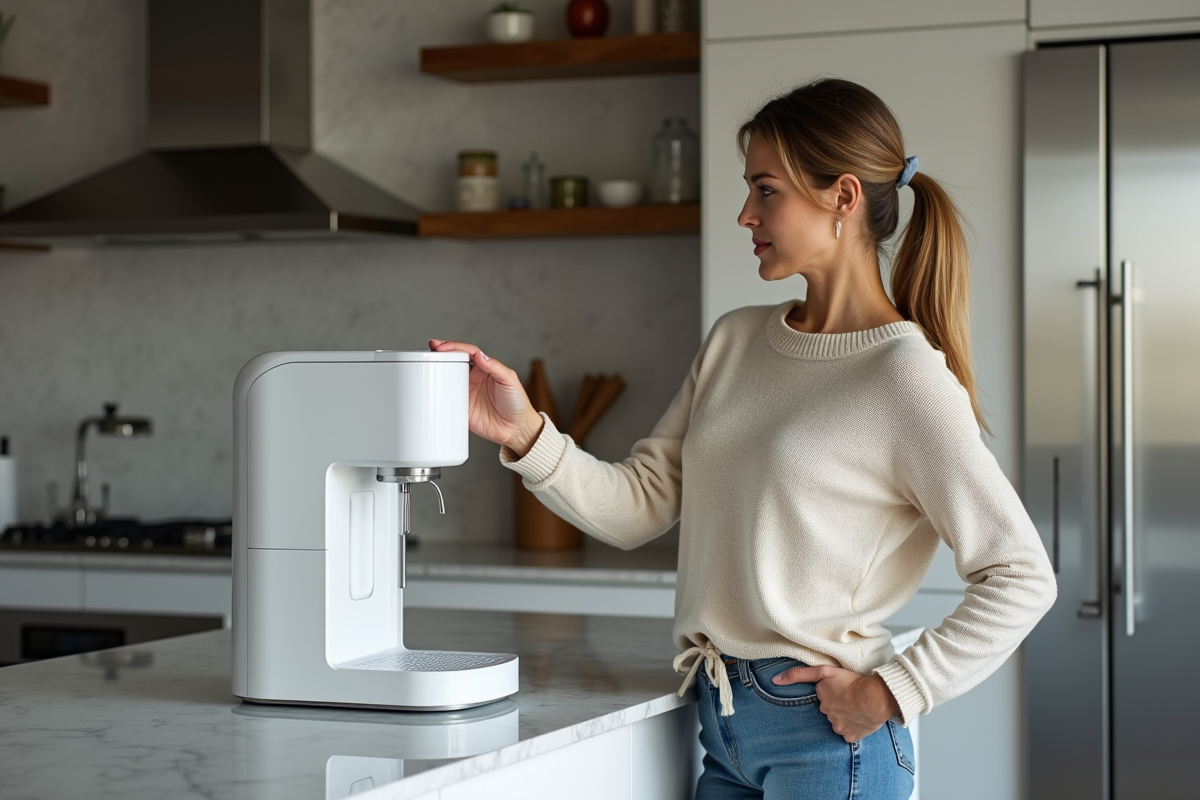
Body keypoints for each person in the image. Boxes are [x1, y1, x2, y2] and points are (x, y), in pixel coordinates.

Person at [429, 78, 1056, 800]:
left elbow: (1020, 575)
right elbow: (639, 506)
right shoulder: (734, 340)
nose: (744, 214)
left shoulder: (902, 377)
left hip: (828, 741)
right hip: (722, 722)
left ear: (842, 198)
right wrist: (524, 432)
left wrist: (894, 690)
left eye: (766, 191)